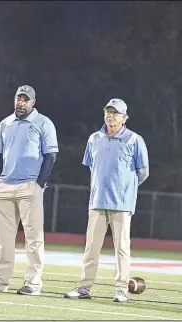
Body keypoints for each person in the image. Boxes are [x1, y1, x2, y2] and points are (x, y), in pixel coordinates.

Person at [0, 85, 58, 296]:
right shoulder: (5, 123)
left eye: (26, 100)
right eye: (18, 99)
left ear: (33, 103)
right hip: (4, 186)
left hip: (29, 185)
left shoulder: (43, 123)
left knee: (33, 237)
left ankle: (33, 283)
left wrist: (40, 183)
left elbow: (51, 156)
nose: (21, 103)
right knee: (4, 239)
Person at [63, 98, 149, 303]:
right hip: (98, 202)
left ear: (125, 117)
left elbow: (143, 172)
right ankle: (84, 287)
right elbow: (92, 166)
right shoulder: (94, 138)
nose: (111, 115)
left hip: (122, 204)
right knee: (91, 247)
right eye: (108, 112)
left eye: (116, 113)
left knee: (122, 248)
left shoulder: (134, 139)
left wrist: (125, 189)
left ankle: (121, 290)